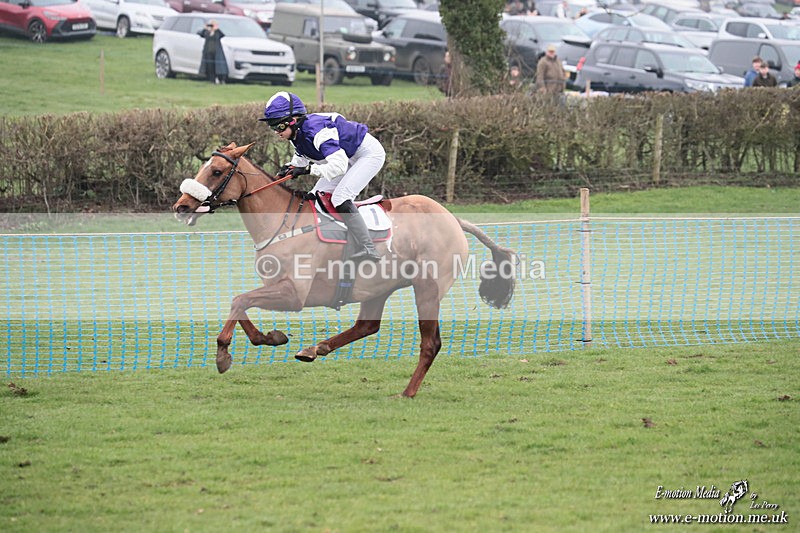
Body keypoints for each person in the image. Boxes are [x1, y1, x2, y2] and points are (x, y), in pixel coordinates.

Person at [260, 91, 384, 261]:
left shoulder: (317, 131)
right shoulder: (296, 133)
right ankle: (331, 244)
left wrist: (307, 170)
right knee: (315, 198)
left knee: (340, 198)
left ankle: (368, 248)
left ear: (293, 121)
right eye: (272, 127)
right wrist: (292, 167)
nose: (276, 132)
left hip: (367, 154)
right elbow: (302, 156)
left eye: (278, 126)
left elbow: (338, 166)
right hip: (345, 155)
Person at [198, 20, 227, 84]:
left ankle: (221, 80)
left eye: (212, 25)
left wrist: (216, 29)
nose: (211, 27)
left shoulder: (217, 33)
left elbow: (222, 35)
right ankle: (212, 80)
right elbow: (200, 34)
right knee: (210, 67)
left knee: (218, 67)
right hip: (208, 52)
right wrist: (205, 28)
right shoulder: (206, 32)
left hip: (216, 53)